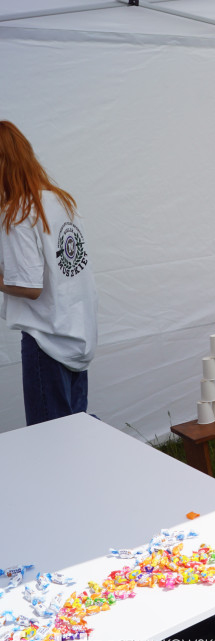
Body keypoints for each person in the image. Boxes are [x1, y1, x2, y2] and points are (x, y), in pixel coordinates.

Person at [0, 121, 98, 426]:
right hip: (76, 334)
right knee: (76, 432)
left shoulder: (17, 213)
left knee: (51, 441)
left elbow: (30, 287)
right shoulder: (60, 201)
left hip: (47, 341)